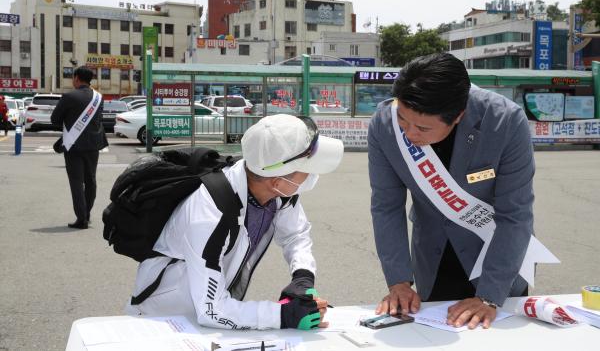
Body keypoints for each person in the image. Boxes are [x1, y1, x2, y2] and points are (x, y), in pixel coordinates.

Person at [368, 53, 553, 330]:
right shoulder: (385, 125)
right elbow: (386, 206)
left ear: (458, 115)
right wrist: (399, 281)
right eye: (404, 122)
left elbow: (515, 214)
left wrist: (489, 296)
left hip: (497, 255)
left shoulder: (505, 122)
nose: (409, 134)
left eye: (422, 127)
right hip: (433, 255)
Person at [126, 114, 344, 331]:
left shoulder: (278, 192)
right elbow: (212, 309)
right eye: (307, 169)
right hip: (163, 321)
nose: (312, 174)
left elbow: (295, 235)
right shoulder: (209, 214)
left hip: (208, 316)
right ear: (277, 181)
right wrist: (283, 315)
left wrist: (302, 276)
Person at [51, 66, 108, 229]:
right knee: (91, 180)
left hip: (73, 145)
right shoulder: (99, 97)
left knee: (76, 182)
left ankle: (81, 218)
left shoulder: (69, 96)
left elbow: (55, 119)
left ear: (76, 78)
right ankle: (87, 214)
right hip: (94, 145)